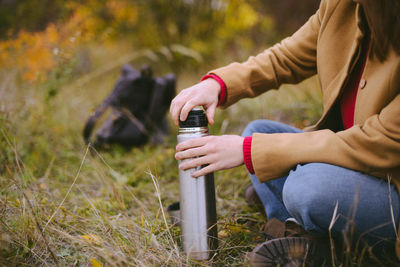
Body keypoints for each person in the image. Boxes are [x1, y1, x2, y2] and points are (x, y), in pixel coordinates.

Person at [170, 0, 400, 265]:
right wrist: (219, 85)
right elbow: (286, 57)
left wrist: (249, 151)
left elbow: (381, 140)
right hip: (349, 161)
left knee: (306, 187)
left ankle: (303, 218)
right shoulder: (344, 6)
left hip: (390, 184)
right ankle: (299, 231)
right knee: (259, 130)